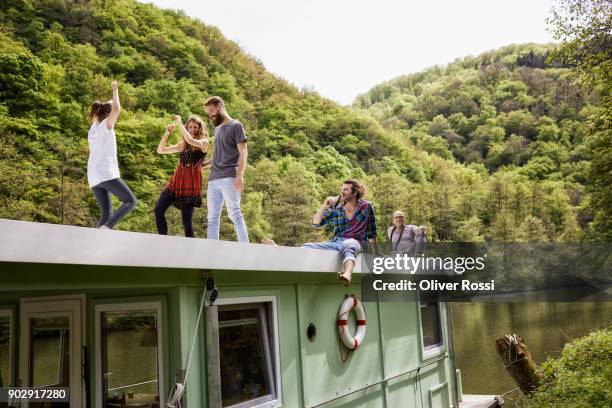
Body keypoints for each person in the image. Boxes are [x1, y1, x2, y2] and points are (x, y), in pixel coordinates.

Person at [263, 180, 379, 286]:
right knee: (307, 246)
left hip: (356, 243)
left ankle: (348, 274)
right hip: (336, 243)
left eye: (345, 189)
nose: (341, 192)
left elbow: (372, 233)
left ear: (354, 193)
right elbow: (316, 223)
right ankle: (278, 248)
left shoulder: (366, 207)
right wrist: (324, 205)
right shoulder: (337, 209)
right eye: (341, 189)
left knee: (349, 244)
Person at [87, 80, 137, 230]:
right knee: (131, 201)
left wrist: (105, 104)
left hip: (93, 177)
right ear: (108, 114)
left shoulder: (93, 128)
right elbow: (116, 109)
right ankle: (108, 227)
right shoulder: (105, 126)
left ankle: (96, 242)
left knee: (106, 212)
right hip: (106, 173)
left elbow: (101, 111)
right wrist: (115, 90)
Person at [203, 96, 249, 242]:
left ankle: (245, 249)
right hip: (213, 179)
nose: (210, 115)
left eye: (211, 111)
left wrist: (240, 174)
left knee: (234, 213)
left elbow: (243, 151)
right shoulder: (217, 129)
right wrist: (203, 165)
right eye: (208, 113)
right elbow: (217, 156)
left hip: (230, 176)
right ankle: (211, 252)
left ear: (219, 106)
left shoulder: (236, 125)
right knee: (212, 217)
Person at [154, 116, 209, 237]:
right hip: (176, 183)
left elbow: (191, 141)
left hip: (190, 185)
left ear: (200, 128)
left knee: (186, 223)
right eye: (190, 127)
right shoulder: (183, 144)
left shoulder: (204, 142)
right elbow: (161, 150)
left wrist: (179, 123)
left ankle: (190, 251)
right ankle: (162, 239)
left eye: (195, 127)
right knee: (158, 209)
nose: (192, 129)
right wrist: (167, 133)